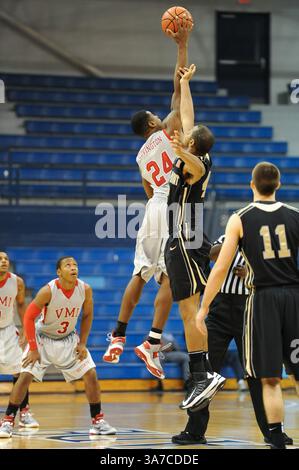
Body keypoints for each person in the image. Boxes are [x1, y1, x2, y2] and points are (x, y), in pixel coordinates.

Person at [103, 18, 193, 380]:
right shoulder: (169, 128)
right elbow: (178, 86)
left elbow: (147, 191)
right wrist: (181, 44)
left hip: (154, 206)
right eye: (158, 116)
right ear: (154, 124)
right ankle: (152, 340)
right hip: (173, 207)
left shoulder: (140, 156)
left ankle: (119, 335)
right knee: (173, 277)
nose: (162, 114)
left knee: (141, 274)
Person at [196, 162, 299, 449]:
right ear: (279, 184)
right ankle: (272, 432)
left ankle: (275, 435)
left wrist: (202, 308)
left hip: (261, 299)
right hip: (293, 296)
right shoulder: (295, 216)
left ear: (251, 184)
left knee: (268, 378)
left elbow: (218, 268)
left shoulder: (240, 218)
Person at [0, 256, 116, 438]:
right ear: (59, 272)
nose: (73, 268)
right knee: (24, 376)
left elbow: (87, 315)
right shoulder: (48, 291)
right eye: (68, 265)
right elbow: (29, 317)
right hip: (43, 338)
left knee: (91, 373)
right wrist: (33, 347)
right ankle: (7, 421)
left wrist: (83, 342)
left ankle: (98, 421)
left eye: (75, 265)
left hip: (68, 339)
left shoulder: (85, 289)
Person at [164, 64, 225, 413]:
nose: (181, 131)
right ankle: (202, 373)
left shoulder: (195, 163)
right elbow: (188, 115)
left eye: (187, 136)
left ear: (192, 144)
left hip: (184, 238)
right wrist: (185, 84)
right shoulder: (193, 150)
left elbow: (196, 168)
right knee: (192, 311)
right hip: (186, 236)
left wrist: (180, 151)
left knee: (190, 312)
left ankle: (202, 375)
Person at [0, 251, 38, 428]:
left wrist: (24, 329)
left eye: (6, 259)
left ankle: (24, 412)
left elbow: (22, 305)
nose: (4, 261)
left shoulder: (17, 282)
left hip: (8, 330)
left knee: (19, 371)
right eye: (0, 259)